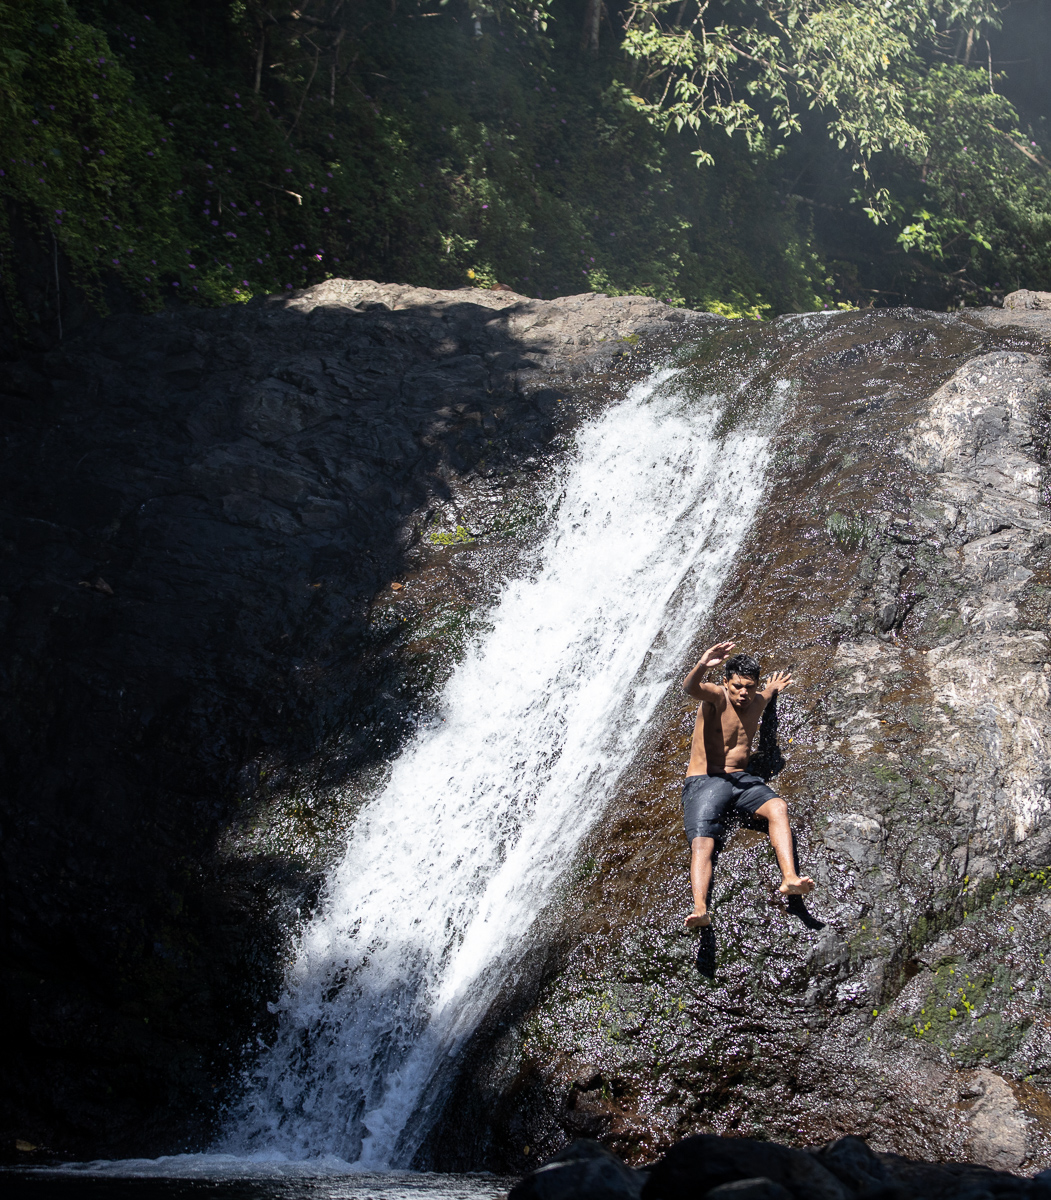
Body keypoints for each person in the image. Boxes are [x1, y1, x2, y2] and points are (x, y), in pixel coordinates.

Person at [681, 640, 815, 929]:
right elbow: (690, 688)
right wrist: (703, 663)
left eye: (749, 687)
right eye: (737, 686)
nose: (743, 693)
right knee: (704, 842)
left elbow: (767, 699)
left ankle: (790, 878)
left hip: (742, 780)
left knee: (778, 806)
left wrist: (773, 687)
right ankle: (700, 908)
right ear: (726, 682)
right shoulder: (716, 697)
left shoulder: (757, 700)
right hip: (706, 781)